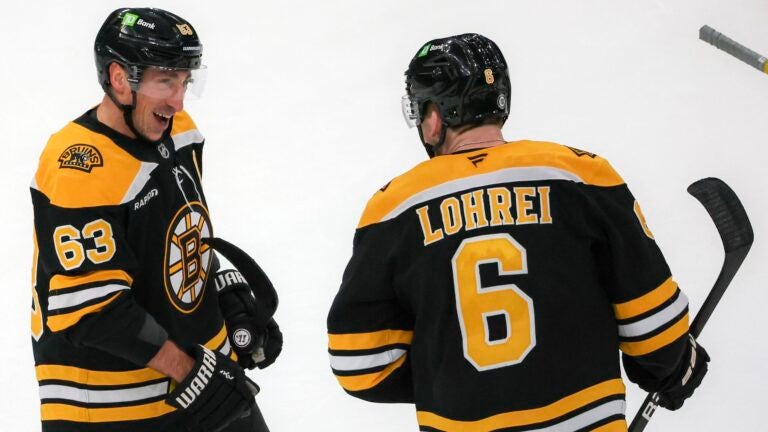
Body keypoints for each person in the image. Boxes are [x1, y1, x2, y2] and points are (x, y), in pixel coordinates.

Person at [327, 33, 709, 431]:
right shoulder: (582, 176)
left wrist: (448, 374)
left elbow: (359, 364)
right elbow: (654, 327)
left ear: (437, 116)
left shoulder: (392, 210)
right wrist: (671, 367)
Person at [30, 8, 281, 432]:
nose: (178, 100)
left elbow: (172, 237)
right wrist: (188, 371)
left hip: (199, 385)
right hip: (114, 409)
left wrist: (222, 295)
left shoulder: (178, 130)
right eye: (165, 80)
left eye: (185, 81)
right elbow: (94, 311)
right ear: (118, 78)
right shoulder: (79, 167)